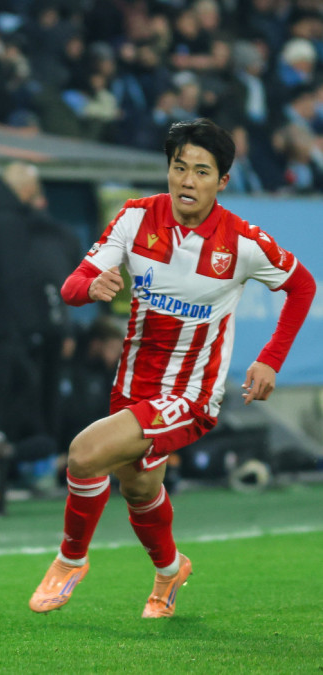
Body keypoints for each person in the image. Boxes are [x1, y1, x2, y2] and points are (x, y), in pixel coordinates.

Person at [28, 118, 316, 618]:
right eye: (179, 167)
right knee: (139, 488)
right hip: (133, 382)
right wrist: (89, 288)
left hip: (191, 392)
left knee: (84, 454)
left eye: (201, 171)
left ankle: (70, 559)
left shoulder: (242, 242)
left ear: (222, 181)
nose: (187, 180)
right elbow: (74, 285)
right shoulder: (135, 217)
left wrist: (270, 359)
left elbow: (302, 286)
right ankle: (169, 570)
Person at [0, 161, 80, 463]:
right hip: (1, 329)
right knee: (8, 398)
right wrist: (32, 325)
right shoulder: (9, 223)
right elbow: (14, 279)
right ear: (27, 190)